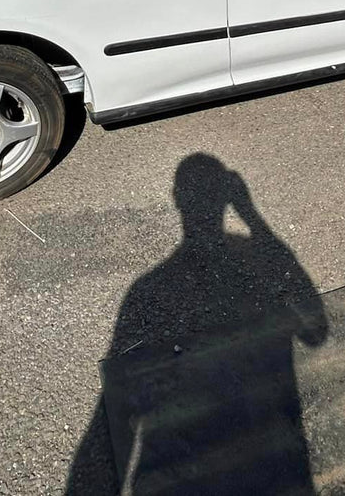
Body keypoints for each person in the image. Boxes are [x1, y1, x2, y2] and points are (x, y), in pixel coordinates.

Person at [67, 154, 327, 494]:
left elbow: (116, 403)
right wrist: (250, 214)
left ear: (176, 199)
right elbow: (314, 333)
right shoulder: (152, 286)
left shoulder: (146, 288)